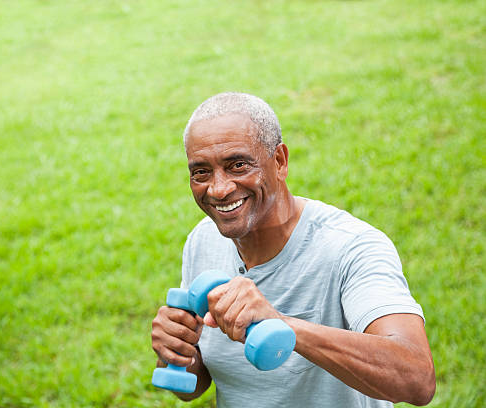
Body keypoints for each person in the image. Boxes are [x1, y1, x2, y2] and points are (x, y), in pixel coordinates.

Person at [151, 92, 436, 407]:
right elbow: (192, 387)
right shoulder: (203, 241)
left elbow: (416, 380)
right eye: (201, 172)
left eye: (238, 165)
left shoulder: (351, 246)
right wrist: (176, 351)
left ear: (279, 162)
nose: (219, 189)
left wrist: (283, 325)